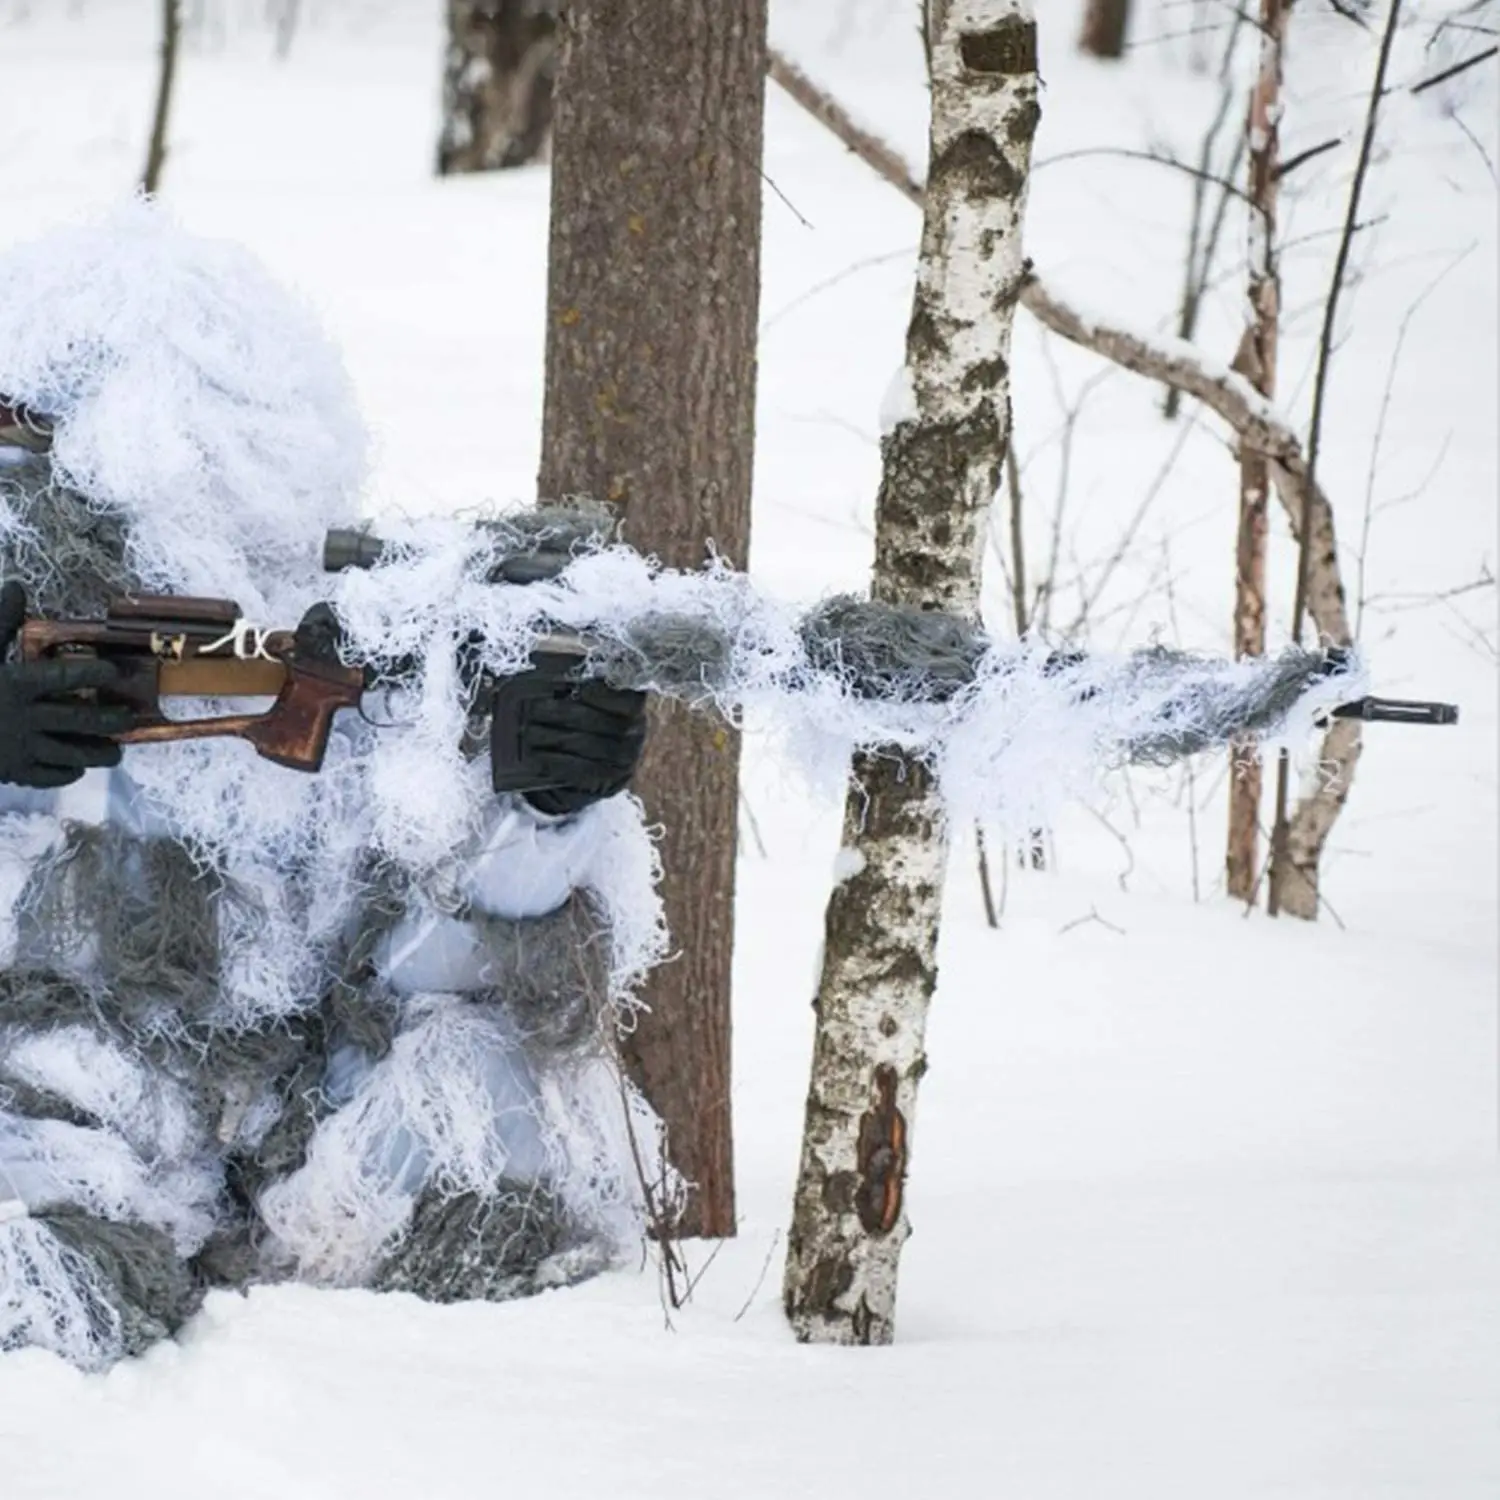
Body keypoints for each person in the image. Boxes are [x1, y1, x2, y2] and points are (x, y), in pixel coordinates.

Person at [0, 208, 657, 1369]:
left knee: (475, 1121)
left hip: (293, 1148)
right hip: (53, 1132)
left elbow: (421, 981)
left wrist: (541, 807)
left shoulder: (339, 651)